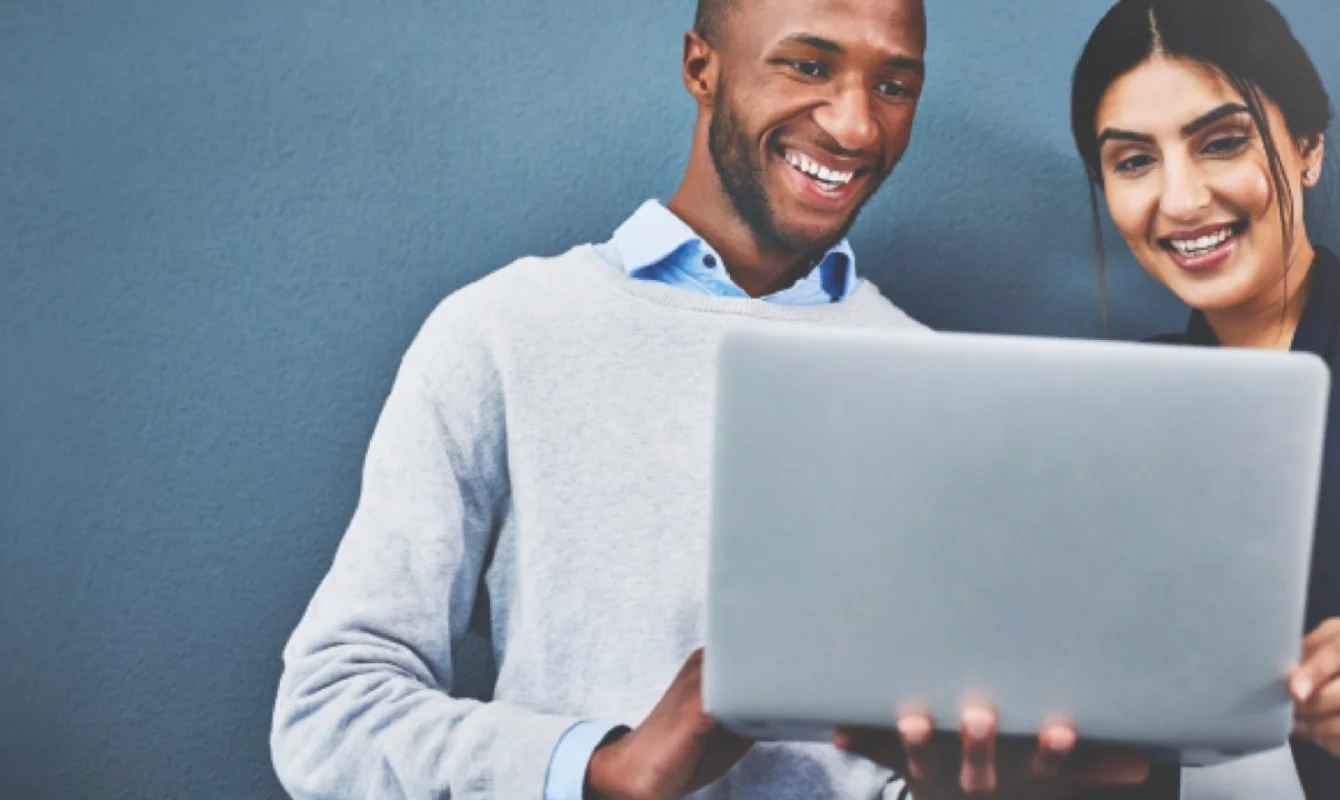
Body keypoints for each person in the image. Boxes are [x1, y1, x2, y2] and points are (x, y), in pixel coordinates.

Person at [269, 0, 1152, 798]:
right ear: (702, 67)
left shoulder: (937, 380)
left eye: (894, 84)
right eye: (807, 65)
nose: (855, 126)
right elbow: (330, 713)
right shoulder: (502, 330)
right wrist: (602, 765)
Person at [1066, 0, 1340, 796]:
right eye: (1133, 160)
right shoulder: (1108, 419)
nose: (1181, 201)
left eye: (1222, 143)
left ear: (1308, 148)